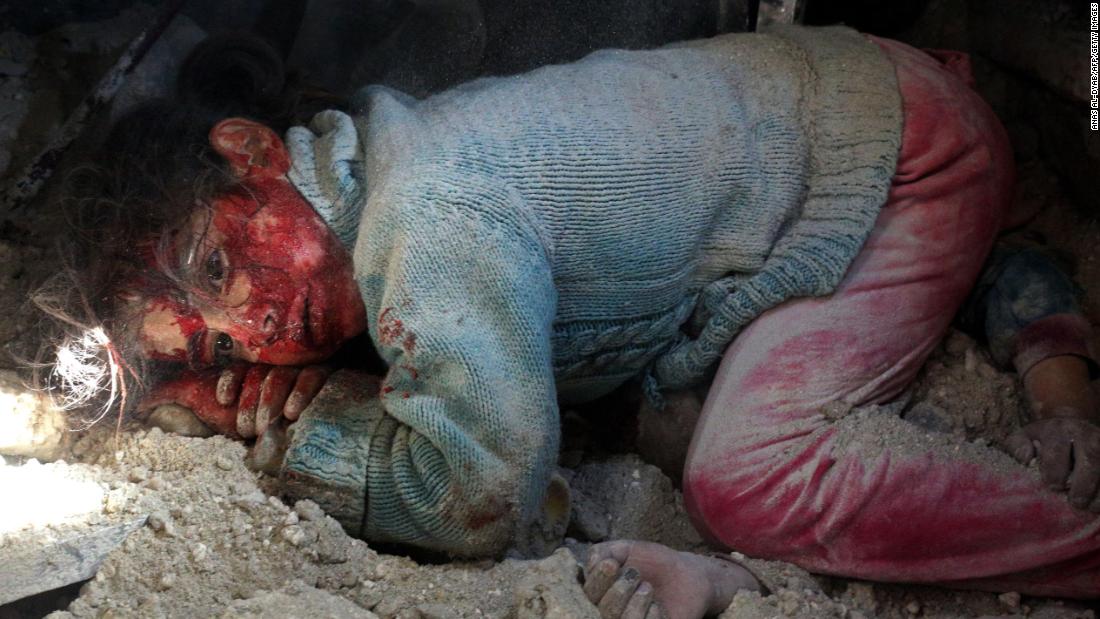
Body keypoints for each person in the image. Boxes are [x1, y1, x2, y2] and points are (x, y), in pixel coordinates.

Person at [39, 24, 1099, 619]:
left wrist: (293, 429)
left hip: (907, 161)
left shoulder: (426, 215)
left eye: (219, 262)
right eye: (220, 345)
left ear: (254, 150)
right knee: (671, 424)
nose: (255, 322)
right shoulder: (365, 172)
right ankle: (1014, 288)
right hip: (852, 105)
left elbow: (485, 492)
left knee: (741, 477)